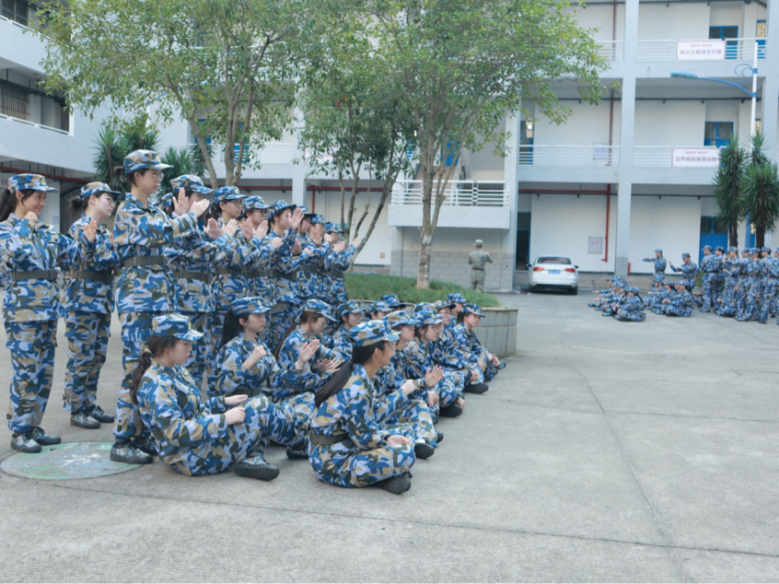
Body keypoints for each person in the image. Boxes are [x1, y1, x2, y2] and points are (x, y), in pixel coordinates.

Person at [111, 149, 210, 465]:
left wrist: (186, 220)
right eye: (153, 173)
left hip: (158, 300)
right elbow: (164, 231)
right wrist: (189, 216)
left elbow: (177, 239)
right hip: (138, 301)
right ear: (136, 176)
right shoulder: (129, 210)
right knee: (135, 369)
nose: (158, 178)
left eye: (159, 173)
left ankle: (140, 435)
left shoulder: (151, 209)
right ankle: (122, 440)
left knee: (151, 369)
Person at [134, 314, 302, 481]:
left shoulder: (174, 369)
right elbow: (177, 432)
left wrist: (222, 402)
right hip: (192, 458)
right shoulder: (158, 383)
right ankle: (300, 443)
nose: (190, 348)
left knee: (253, 408)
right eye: (185, 344)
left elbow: (192, 410)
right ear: (165, 346)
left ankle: (255, 457)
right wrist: (224, 419)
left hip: (199, 444)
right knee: (261, 407)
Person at [0, 174, 97, 452]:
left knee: (43, 373)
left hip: (48, 311)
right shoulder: (6, 230)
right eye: (37, 197)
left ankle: (33, 426)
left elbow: (74, 257)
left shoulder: (47, 231)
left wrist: (88, 241)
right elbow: (12, 253)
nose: (42, 203)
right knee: (25, 373)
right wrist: (26, 225)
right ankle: (20, 431)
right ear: (19, 196)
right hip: (23, 314)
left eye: (44, 197)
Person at [308, 320, 417, 494]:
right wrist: (386, 441)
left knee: (405, 431)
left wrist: (387, 437)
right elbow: (365, 439)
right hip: (333, 463)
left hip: (343, 447)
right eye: (390, 345)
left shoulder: (358, 373)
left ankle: (387, 475)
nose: (393, 349)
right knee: (406, 453)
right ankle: (387, 475)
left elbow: (366, 423)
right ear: (377, 352)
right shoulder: (356, 388)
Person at [215, 297, 316, 467]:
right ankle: (283, 446)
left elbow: (278, 381)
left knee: (307, 398)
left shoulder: (261, 346)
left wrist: (300, 362)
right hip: (238, 409)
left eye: (264, 314)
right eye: (258, 315)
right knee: (263, 409)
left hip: (261, 405)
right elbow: (223, 386)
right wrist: (249, 362)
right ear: (243, 321)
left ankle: (285, 436)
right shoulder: (234, 347)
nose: (264, 319)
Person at [164, 176, 239, 389]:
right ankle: (183, 402)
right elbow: (209, 254)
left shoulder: (192, 226)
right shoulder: (182, 225)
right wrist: (226, 236)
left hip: (199, 299)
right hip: (185, 301)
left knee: (196, 358)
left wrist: (215, 238)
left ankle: (192, 401)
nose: (203, 201)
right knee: (185, 358)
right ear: (183, 197)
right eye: (198, 195)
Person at [62, 182, 122, 429]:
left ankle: (89, 404)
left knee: (97, 357)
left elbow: (114, 262)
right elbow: (100, 259)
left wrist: (111, 256)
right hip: (83, 303)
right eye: (108, 198)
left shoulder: (103, 232)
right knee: (81, 358)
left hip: (101, 302)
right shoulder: (80, 228)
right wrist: (111, 255)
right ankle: (76, 409)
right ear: (93, 199)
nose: (112, 204)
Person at [204, 186, 268, 391]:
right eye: (235, 202)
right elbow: (235, 258)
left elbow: (253, 261)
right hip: (223, 298)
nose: (240, 206)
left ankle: (237, 388)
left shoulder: (237, 229)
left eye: (241, 202)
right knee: (218, 345)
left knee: (236, 344)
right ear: (222, 205)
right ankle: (216, 392)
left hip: (239, 296)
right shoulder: (217, 227)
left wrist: (251, 241)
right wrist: (255, 240)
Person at [402, 309, 465, 419]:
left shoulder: (427, 343)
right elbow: (429, 377)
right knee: (446, 390)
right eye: (433, 327)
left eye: (437, 327)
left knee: (457, 376)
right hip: (421, 385)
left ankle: (448, 402)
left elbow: (442, 357)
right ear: (421, 330)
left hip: (428, 381)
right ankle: (445, 405)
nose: (436, 330)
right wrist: (450, 381)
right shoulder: (414, 348)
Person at [264, 201, 310, 351]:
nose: (291, 219)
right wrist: (302, 256)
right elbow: (284, 265)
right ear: (276, 217)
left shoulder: (288, 239)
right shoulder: (271, 239)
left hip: (290, 294)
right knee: (275, 336)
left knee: (287, 335)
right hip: (278, 295)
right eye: (287, 216)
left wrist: (297, 254)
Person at [698, 245, 720, 313]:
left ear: (708, 250)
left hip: (707, 276)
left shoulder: (705, 258)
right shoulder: (716, 257)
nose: (703, 251)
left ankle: (707, 307)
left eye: (704, 250)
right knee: (714, 291)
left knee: (706, 292)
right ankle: (716, 307)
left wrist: (695, 274)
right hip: (715, 275)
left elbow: (701, 268)